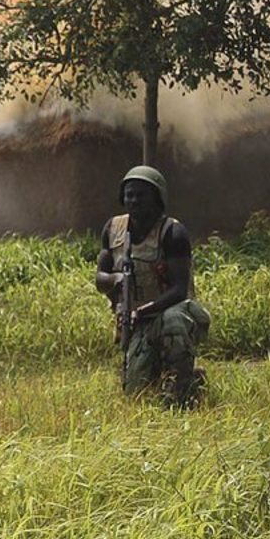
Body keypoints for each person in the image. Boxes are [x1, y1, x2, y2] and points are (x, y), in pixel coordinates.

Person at [96, 165, 211, 408]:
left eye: (141, 195)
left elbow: (179, 290)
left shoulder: (172, 232)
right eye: (129, 195)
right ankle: (183, 376)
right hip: (137, 320)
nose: (134, 201)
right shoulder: (113, 229)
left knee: (172, 321)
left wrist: (143, 311)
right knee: (135, 392)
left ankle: (182, 393)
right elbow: (100, 279)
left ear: (157, 198)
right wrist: (116, 280)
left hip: (175, 312)